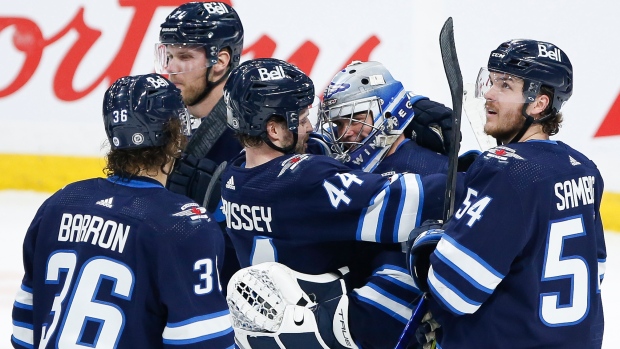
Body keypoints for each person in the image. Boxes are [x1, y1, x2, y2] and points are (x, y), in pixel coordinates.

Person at [220, 57, 447, 349]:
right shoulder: (307, 180)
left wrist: (404, 106)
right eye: (301, 120)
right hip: (333, 333)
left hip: (270, 333)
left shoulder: (235, 177)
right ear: (274, 130)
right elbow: (422, 199)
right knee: (405, 257)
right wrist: (480, 170)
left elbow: (315, 152)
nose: (310, 128)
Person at [10, 73, 234, 349]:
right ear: (176, 136)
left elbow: (24, 327)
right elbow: (203, 343)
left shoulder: (59, 204)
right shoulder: (183, 225)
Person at [408, 39, 606, 348]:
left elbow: (453, 292)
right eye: (492, 80)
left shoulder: (505, 171)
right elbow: (596, 274)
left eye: (505, 85)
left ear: (538, 104)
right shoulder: (583, 168)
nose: (488, 92)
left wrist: (431, 243)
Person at [155, 1, 245, 289]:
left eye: (183, 56)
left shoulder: (253, 140)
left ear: (219, 62)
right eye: (168, 55)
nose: (170, 68)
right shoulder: (168, 126)